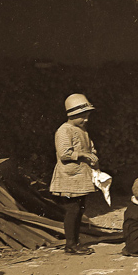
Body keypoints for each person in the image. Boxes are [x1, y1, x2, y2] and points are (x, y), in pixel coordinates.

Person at [50, 93, 99, 255]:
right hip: (69, 178)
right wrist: (83, 155)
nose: (86, 120)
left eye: (87, 116)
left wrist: (93, 154)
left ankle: (76, 241)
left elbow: (89, 146)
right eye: (82, 117)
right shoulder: (64, 131)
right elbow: (64, 153)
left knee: (80, 209)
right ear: (72, 115)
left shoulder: (82, 130)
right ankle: (70, 244)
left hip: (81, 177)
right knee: (73, 210)